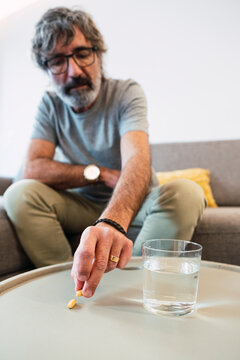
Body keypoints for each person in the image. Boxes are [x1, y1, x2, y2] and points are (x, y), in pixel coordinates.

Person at [4, 7, 205, 298]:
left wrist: (110, 223)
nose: (74, 71)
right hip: (82, 205)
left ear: (99, 54)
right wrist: (97, 174)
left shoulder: (126, 92)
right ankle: (75, 285)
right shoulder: (50, 104)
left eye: (82, 54)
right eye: (58, 61)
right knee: (18, 194)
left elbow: (137, 160)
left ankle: (130, 288)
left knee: (186, 192)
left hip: (134, 204)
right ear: (47, 69)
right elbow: (33, 168)